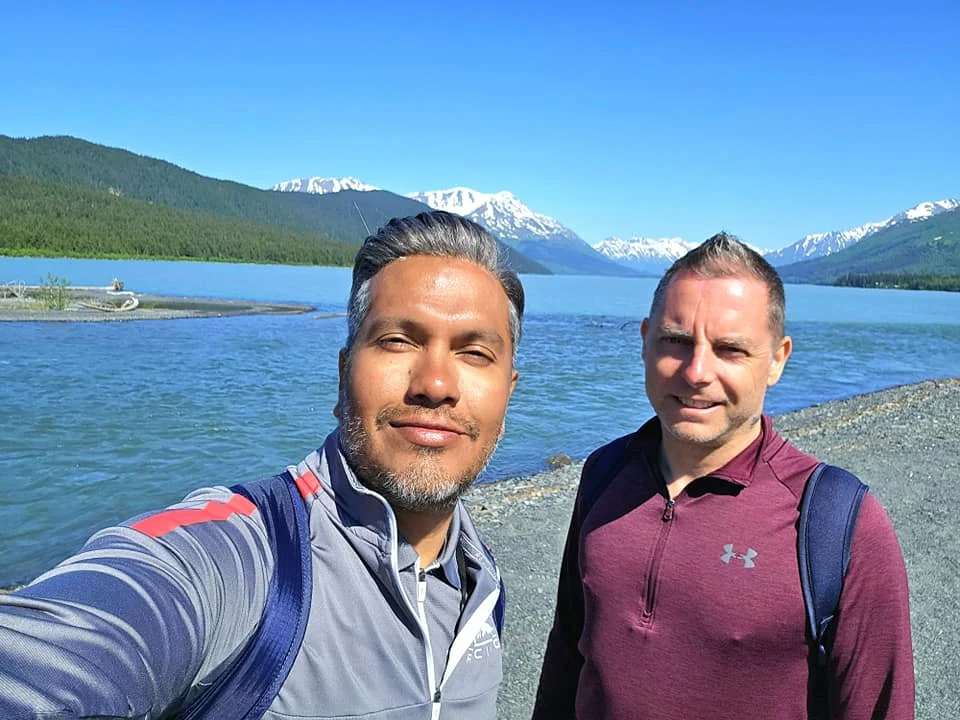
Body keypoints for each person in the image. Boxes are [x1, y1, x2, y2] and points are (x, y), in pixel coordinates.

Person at [0, 210, 522, 719]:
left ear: (508, 393)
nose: (434, 384)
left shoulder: (483, 583)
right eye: (396, 341)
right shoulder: (253, 555)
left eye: (475, 353)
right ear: (343, 376)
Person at [532, 232, 914, 719]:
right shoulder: (605, 474)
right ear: (645, 340)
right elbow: (567, 654)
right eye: (676, 341)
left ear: (777, 359)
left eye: (730, 350)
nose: (696, 372)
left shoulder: (838, 522)